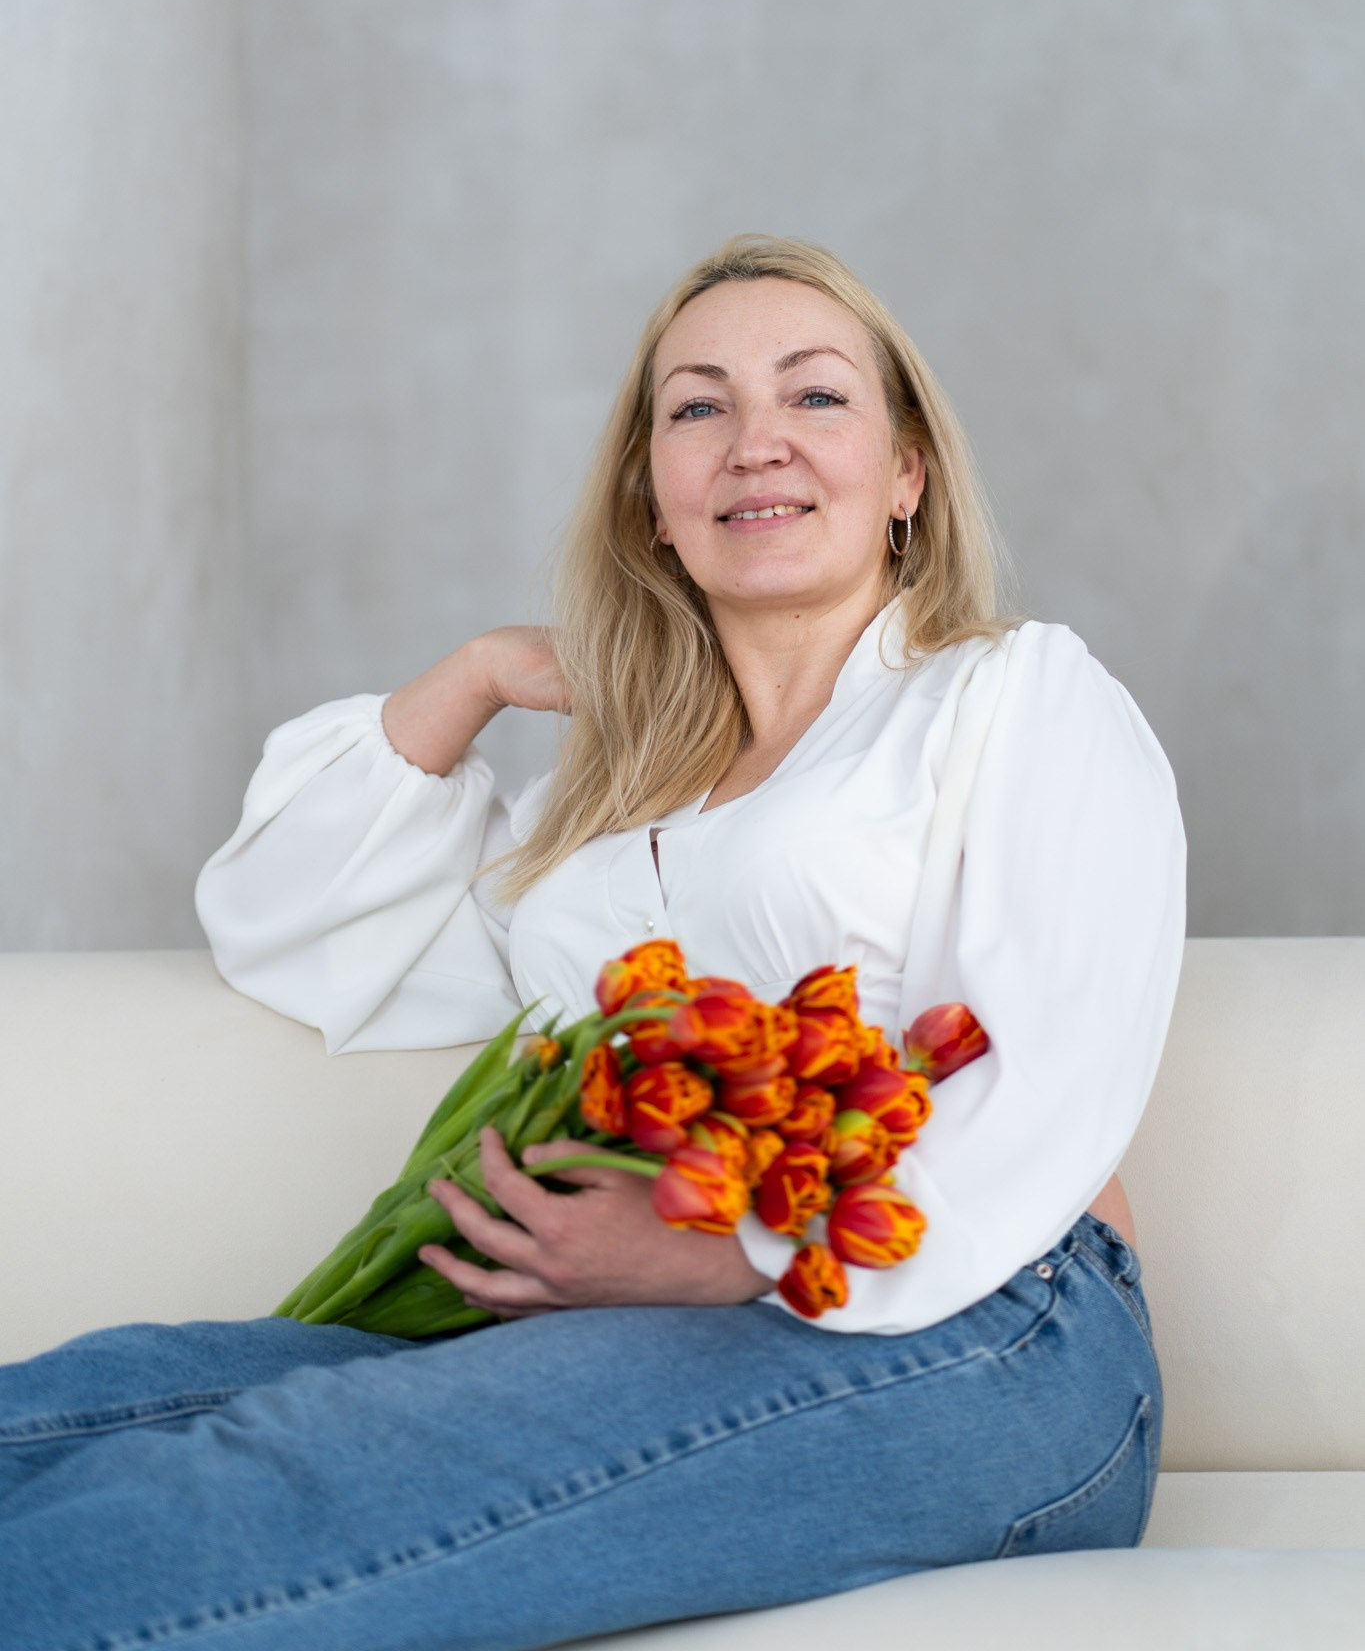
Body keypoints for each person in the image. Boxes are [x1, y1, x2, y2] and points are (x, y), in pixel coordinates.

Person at [0, 234, 1185, 1651]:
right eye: (698, 408)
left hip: (988, 1329)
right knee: (72, 1414)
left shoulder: (1010, 694)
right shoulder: (612, 809)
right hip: (622, 1327)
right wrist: (481, 675)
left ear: (907, 477)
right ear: (652, 501)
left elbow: (1041, 1057)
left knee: (261, 1485)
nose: (754, 442)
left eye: (814, 397)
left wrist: (736, 1248)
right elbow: (292, 927)